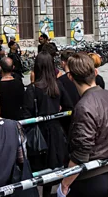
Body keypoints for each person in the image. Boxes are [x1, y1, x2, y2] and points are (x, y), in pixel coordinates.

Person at [59, 53, 108, 197]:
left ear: (70, 77)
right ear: (95, 72)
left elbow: (81, 153)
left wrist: (64, 184)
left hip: (89, 176)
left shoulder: (84, 106)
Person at [23, 51, 73, 196]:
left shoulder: (32, 89)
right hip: (56, 132)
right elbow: (69, 107)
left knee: (39, 171)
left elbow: (26, 115)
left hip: (39, 135)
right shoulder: (58, 85)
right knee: (55, 167)